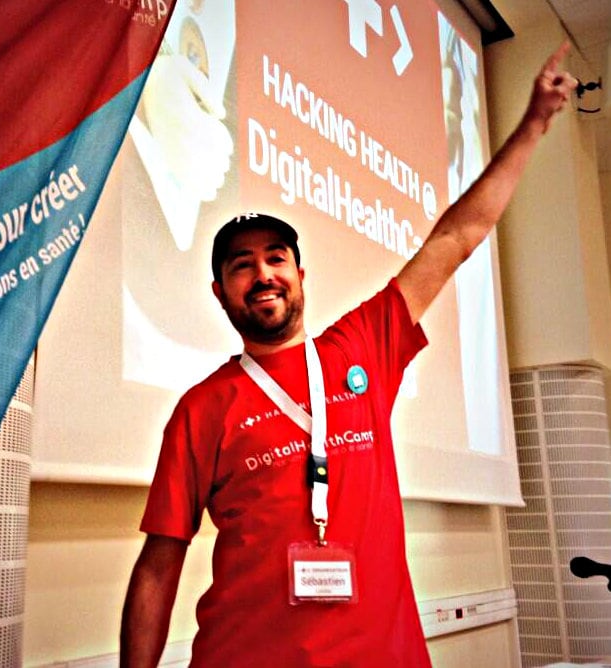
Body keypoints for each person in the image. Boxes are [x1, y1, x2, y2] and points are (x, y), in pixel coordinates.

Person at [120, 43, 576, 667]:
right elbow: (158, 565)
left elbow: (456, 237)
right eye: (241, 265)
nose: (263, 274)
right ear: (220, 291)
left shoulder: (364, 346)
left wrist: (532, 126)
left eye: (276, 258)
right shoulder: (201, 409)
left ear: (301, 274)